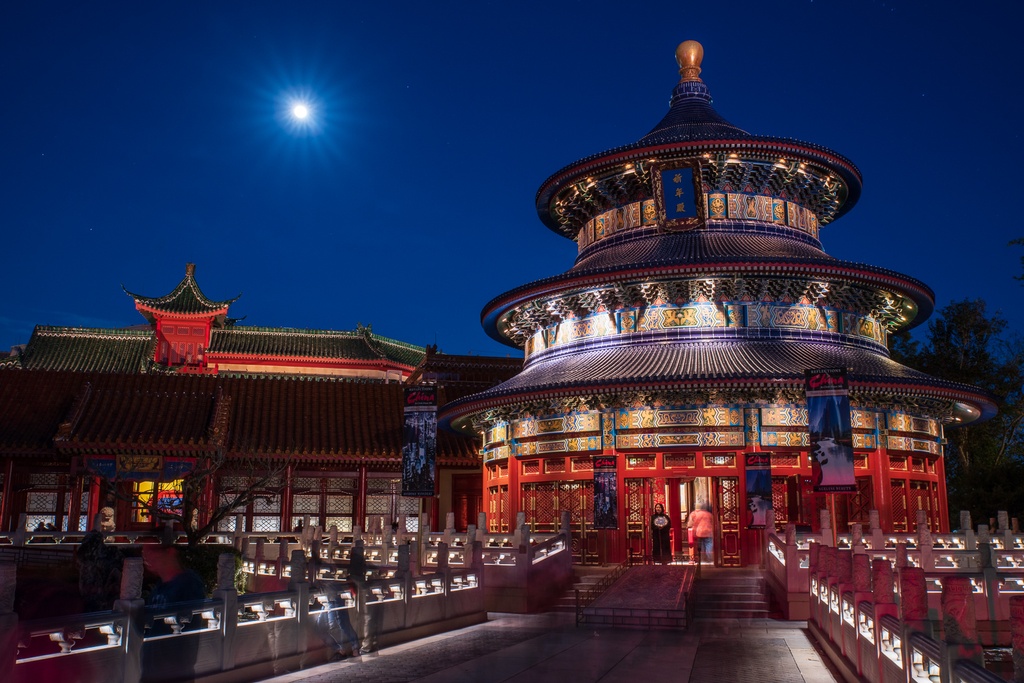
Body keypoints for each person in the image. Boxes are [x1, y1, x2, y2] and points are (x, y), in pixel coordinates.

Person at [142, 544, 207, 681]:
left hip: (176, 667)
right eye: (145, 554)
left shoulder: (189, 584)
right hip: (151, 667)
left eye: (153, 551)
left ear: (170, 551)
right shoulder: (159, 587)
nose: (148, 558)